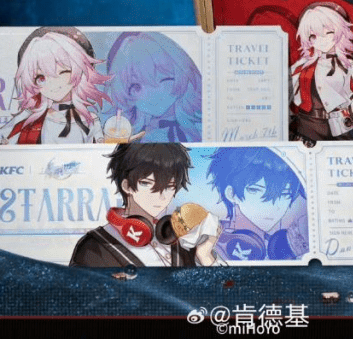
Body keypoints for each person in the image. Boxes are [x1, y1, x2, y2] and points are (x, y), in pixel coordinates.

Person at [0, 27, 111, 158]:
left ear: (80, 72)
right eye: (41, 78)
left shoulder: (89, 120)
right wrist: (5, 147)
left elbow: (100, 153)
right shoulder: (31, 116)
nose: (53, 84)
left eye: (63, 72)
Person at [70, 143, 221, 267]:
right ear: (127, 186)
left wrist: (205, 256)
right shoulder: (94, 247)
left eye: (169, 187)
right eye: (147, 183)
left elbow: (227, 290)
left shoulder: (181, 241)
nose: (161, 196)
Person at [206, 147, 308, 261]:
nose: (273, 207)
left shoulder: (281, 247)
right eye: (255, 190)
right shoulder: (210, 242)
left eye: (285, 194)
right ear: (231, 194)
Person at [289, 3, 353, 143]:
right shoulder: (302, 66)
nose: (322, 40)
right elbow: (283, 95)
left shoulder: (347, 65)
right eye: (314, 36)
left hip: (340, 126)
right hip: (308, 127)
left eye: (328, 33)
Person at [104, 32, 204, 143]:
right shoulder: (140, 136)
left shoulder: (199, 126)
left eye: (163, 79)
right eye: (136, 87)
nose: (150, 93)